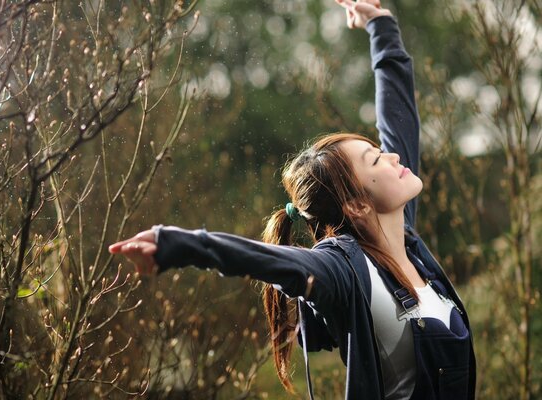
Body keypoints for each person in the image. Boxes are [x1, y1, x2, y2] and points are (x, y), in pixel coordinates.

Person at [108, 0, 476, 399]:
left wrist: (381, 26)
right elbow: (265, 259)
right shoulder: (343, 270)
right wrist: (174, 244)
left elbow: (398, 115)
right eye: (376, 158)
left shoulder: (406, 242)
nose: (393, 156)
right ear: (356, 205)